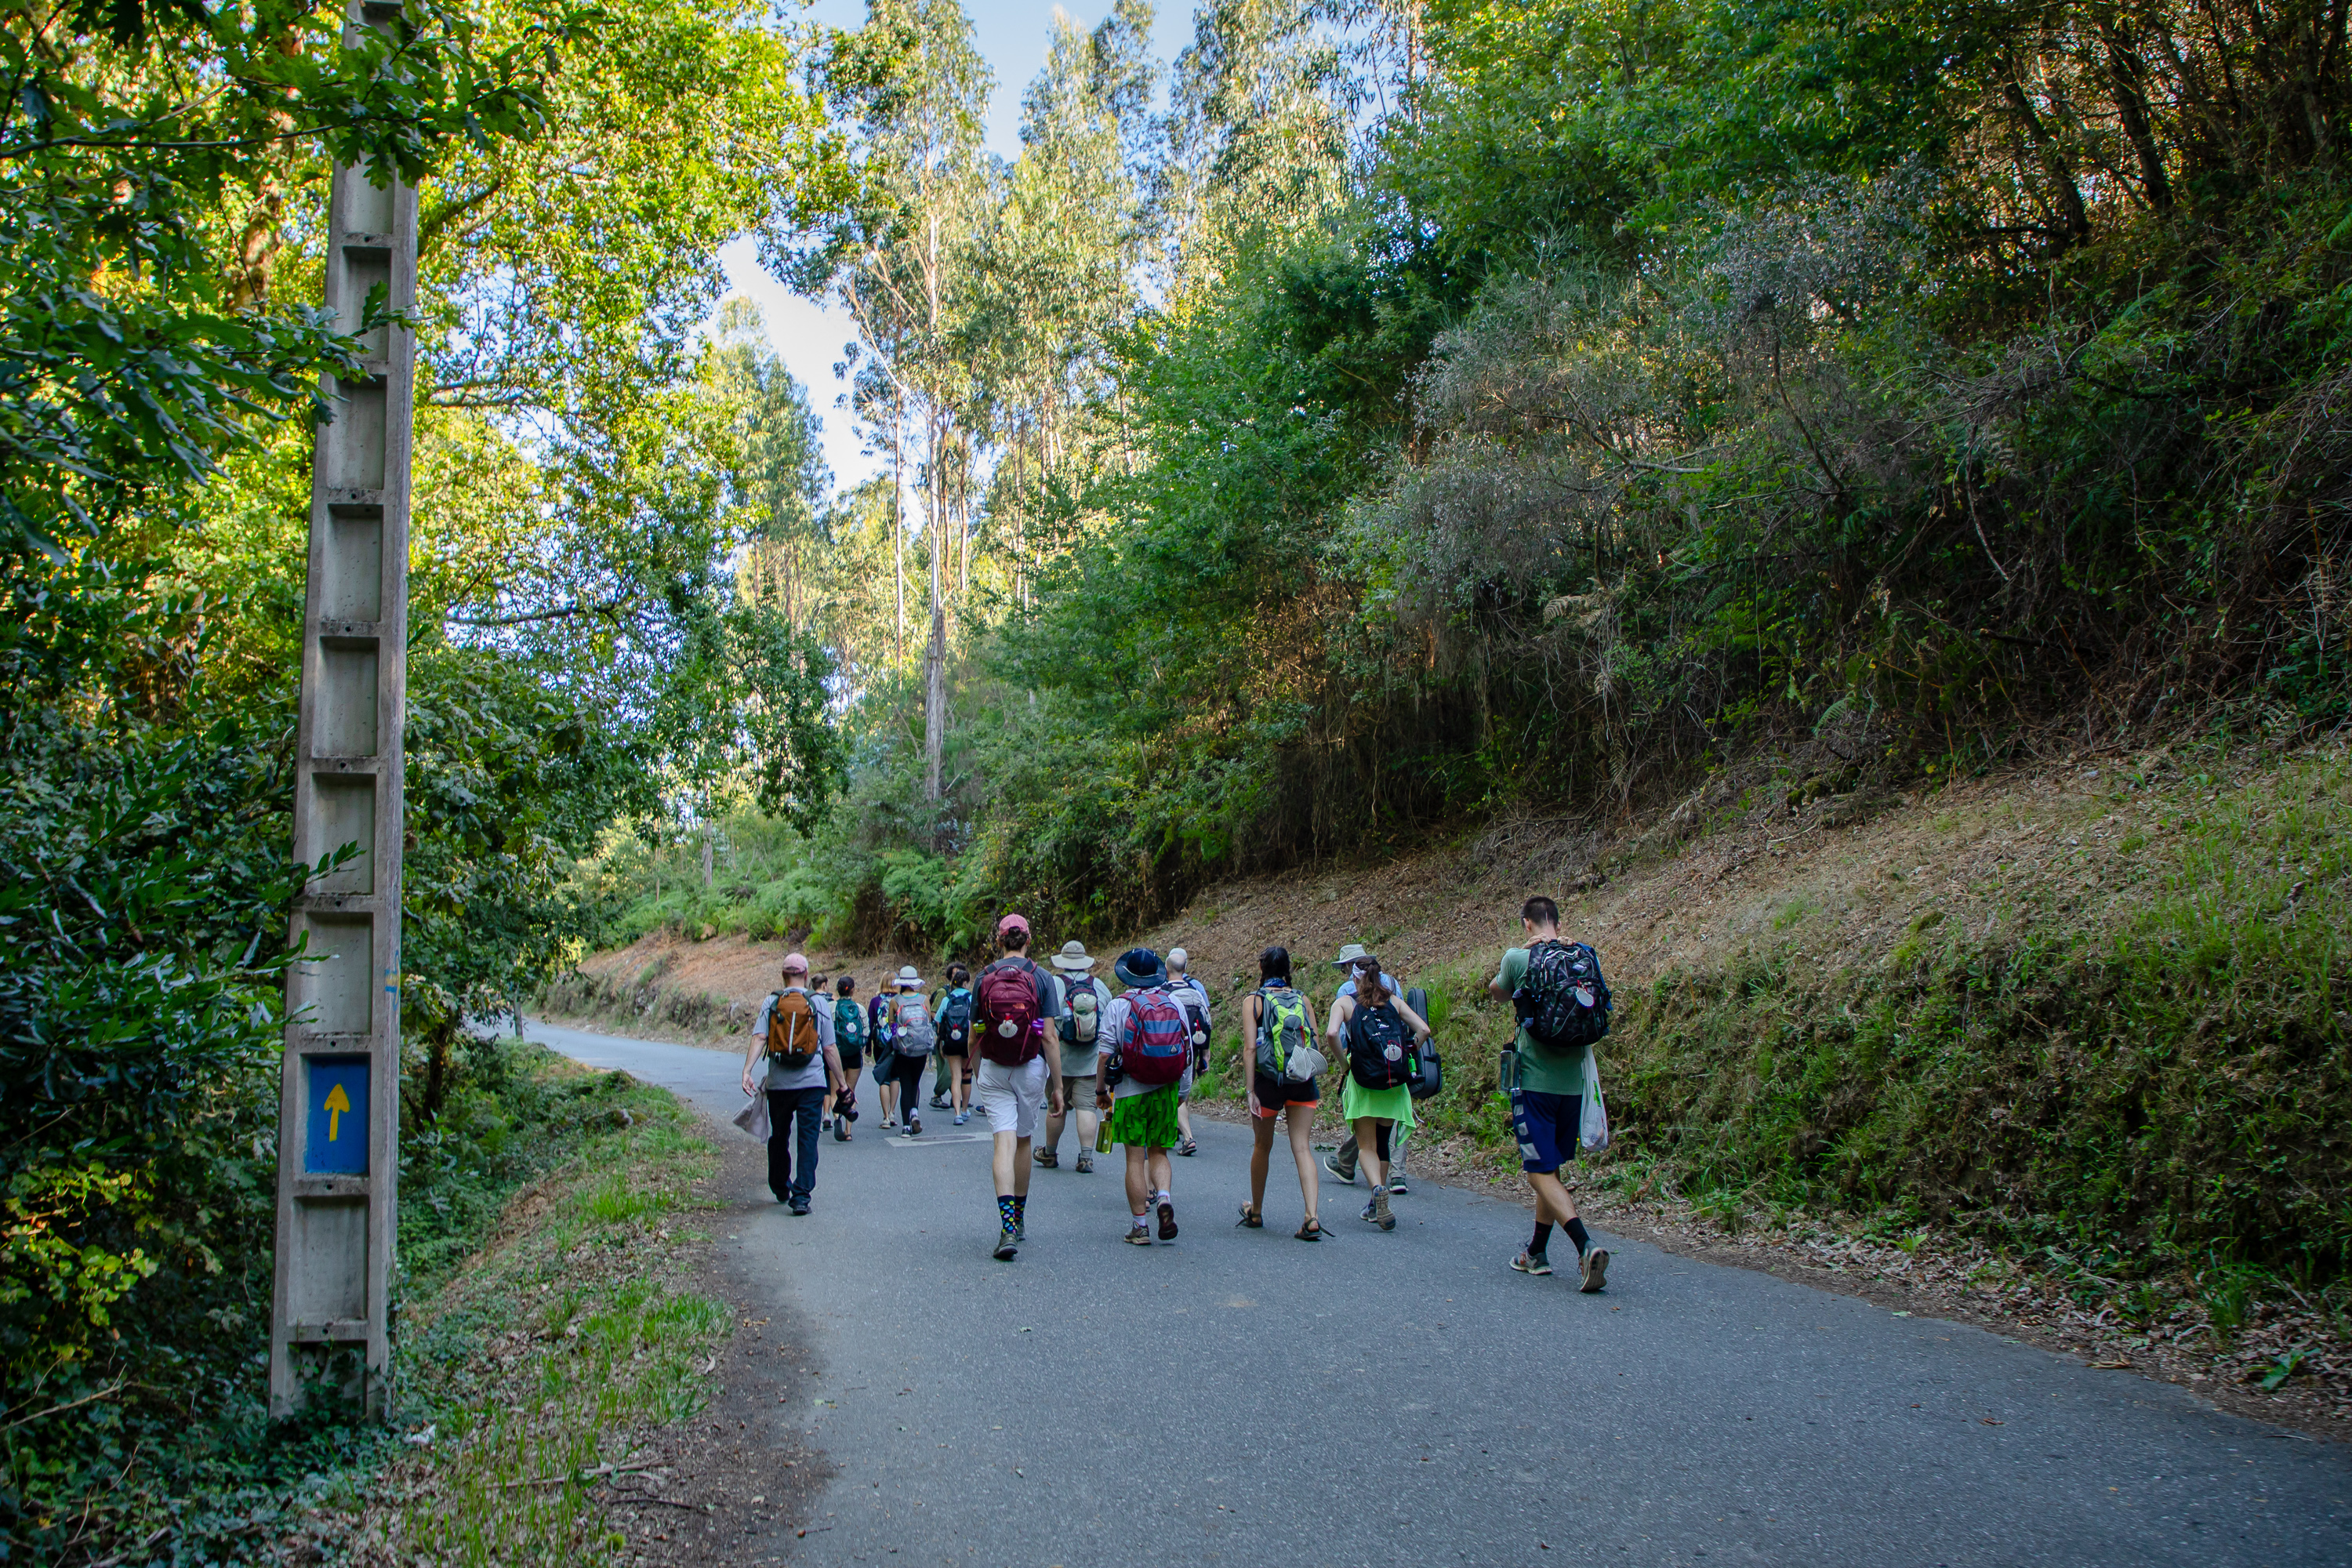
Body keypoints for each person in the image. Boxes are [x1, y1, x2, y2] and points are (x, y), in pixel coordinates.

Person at [1488, 895, 1612, 1292]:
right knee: (1551, 1169)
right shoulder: (1582, 956)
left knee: (1537, 1171)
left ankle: (1584, 1245)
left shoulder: (1518, 958)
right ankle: (1537, 1253)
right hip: (1573, 1086)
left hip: (1534, 1082)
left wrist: (1515, 964)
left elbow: (1497, 992)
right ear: (1557, 922)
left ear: (1527, 924)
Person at [972, 914, 1065, 1261]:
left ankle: (1006, 1226)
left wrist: (978, 1073)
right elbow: (1050, 1037)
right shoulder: (1041, 978)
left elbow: (976, 1033)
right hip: (1030, 1068)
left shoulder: (983, 977)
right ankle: (1020, 1220)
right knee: (1024, 1140)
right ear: (1029, 939)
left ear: (1000, 941)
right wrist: (1057, 1087)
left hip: (995, 1068)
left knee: (1003, 1142)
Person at [1326, 954, 1429, 1232]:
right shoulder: (1394, 1002)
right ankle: (1377, 1204)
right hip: (1393, 1083)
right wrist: (1410, 1049)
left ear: (1356, 977)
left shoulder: (1345, 1003)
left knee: (1366, 1146)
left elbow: (1332, 1033)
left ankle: (1376, 1190)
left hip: (1363, 1081)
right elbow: (1424, 1029)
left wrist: (1344, 1063)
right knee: (1383, 1141)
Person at [737, 953, 847, 1215]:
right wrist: (842, 1084)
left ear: (783, 975)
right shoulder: (818, 1003)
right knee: (808, 1138)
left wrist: (747, 1070)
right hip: (812, 1084)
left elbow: (760, 1037)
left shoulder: (771, 1001)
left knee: (780, 1136)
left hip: (779, 1084)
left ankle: (779, 1185)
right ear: (807, 976)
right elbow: (830, 1048)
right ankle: (801, 1197)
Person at [1098, 948, 1189, 1246]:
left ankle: (1140, 1226)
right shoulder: (1174, 1002)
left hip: (1130, 1091)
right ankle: (1163, 1197)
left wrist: (1101, 1091)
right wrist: (1183, 1092)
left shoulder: (1118, 1005)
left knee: (1135, 1159)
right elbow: (1186, 1052)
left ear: (1128, 976)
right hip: (1166, 1088)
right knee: (1160, 1153)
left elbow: (1105, 1054)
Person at [1236, 945, 1323, 1240]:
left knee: (1263, 1146)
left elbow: (1250, 1049)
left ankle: (1256, 1211)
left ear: (1262, 969)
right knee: (1302, 1147)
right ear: (1288, 969)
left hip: (1268, 1081)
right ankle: (1312, 1216)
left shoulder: (1254, 1001)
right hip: (1302, 1078)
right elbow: (1316, 1043)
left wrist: (1250, 1091)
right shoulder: (1303, 999)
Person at [1036, 940, 1106, 1173]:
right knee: (1087, 1108)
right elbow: (1107, 1019)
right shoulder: (1098, 985)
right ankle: (1086, 1158)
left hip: (1060, 1060)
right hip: (1090, 1061)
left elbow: (1042, 1019)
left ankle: (1050, 1152)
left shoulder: (1053, 983)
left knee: (1057, 1106)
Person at [1166, 946, 1210, 1157]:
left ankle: (1187, 1136)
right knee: (1183, 1092)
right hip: (1192, 1051)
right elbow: (1206, 1023)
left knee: (1176, 1095)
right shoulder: (1196, 991)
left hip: (1168, 1051)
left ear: (1166, 968)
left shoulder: (1163, 991)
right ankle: (1176, 1128)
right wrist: (1205, 1056)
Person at [885, 966, 936, 1138]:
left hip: (904, 1050)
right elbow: (929, 1020)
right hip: (921, 1049)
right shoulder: (924, 999)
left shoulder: (896, 1001)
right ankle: (915, 1112)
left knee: (905, 1084)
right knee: (916, 1082)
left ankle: (906, 1126)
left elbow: (892, 1022)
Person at [932, 963, 977, 1124]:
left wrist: (942, 1041)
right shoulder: (971, 999)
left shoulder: (946, 999)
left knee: (955, 1077)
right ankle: (965, 1110)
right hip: (968, 1042)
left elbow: (938, 1021)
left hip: (950, 1042)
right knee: (967, 1077)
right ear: (966, 983)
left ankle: (957, 1113)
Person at [827, 975, 864, 1142]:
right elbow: (866, 1031)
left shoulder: (831, 1008)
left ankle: (837, 1119)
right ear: (853, 990)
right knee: (851, 1091)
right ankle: (849, 1131)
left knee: (836, 1090)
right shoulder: (859, 1008)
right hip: (855, 1055)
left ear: (837, 990)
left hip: (836, 1054)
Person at [869, 978, 900, 1129]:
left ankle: (885, 1117)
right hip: (896, 1042)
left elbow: (870, 1024)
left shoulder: (875, 1001)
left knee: (884, 1079)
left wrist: (868, 1046)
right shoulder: (899, 1000)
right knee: (895, 1077)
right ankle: (893, 1112)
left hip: (881, 1044)